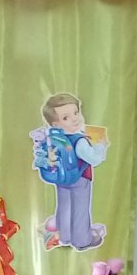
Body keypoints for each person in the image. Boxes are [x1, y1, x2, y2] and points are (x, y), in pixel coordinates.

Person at [37, 93, 107, 251]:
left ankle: (65, 236)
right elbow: (94, 159)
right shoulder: (79, 141)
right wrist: (101, 146)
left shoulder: (56, 138)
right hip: (80, 178)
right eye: (66, 118)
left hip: (62, 178)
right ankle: (82, 240)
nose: (75, 119)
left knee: (65, 207)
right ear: (55, 123)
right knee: (80, 208)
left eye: (76, 113)